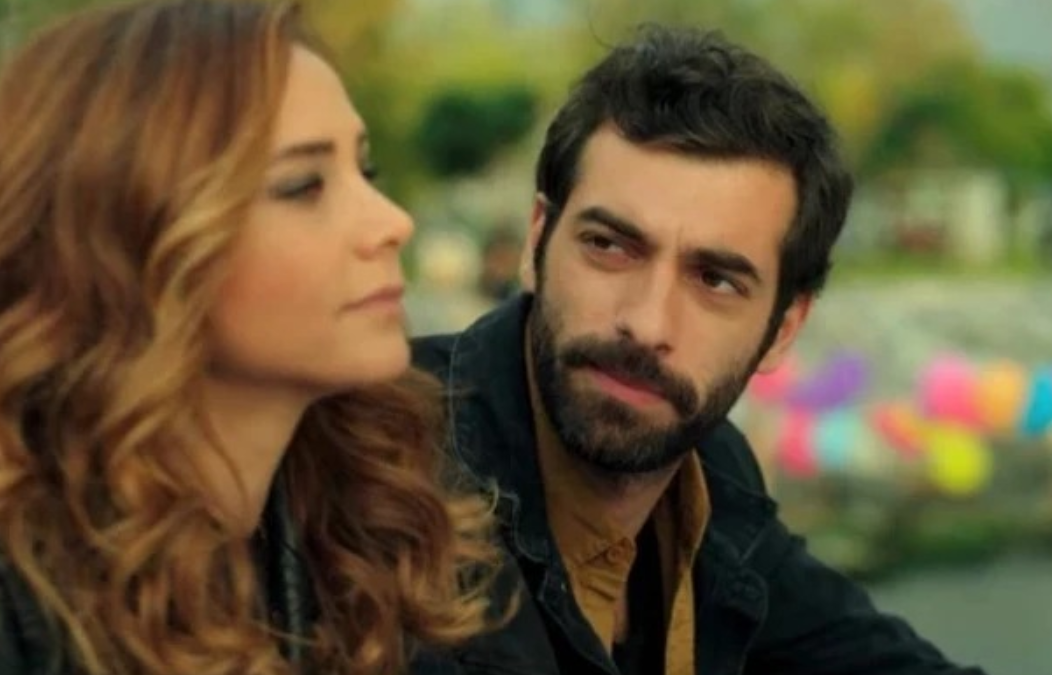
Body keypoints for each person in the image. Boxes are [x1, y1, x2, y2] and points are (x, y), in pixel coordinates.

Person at [414, 24, 988, 675]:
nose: (646, 322)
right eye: (609, 246)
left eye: (715, 280)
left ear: (783, 329)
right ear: (536, 241)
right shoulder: (375, 466)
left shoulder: (708, 474)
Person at [0, 1, 505, 673]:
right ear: (131, 239)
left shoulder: (366, 512)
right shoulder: (24, 601)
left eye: (366, 172)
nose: (392, 222)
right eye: (302, 186)